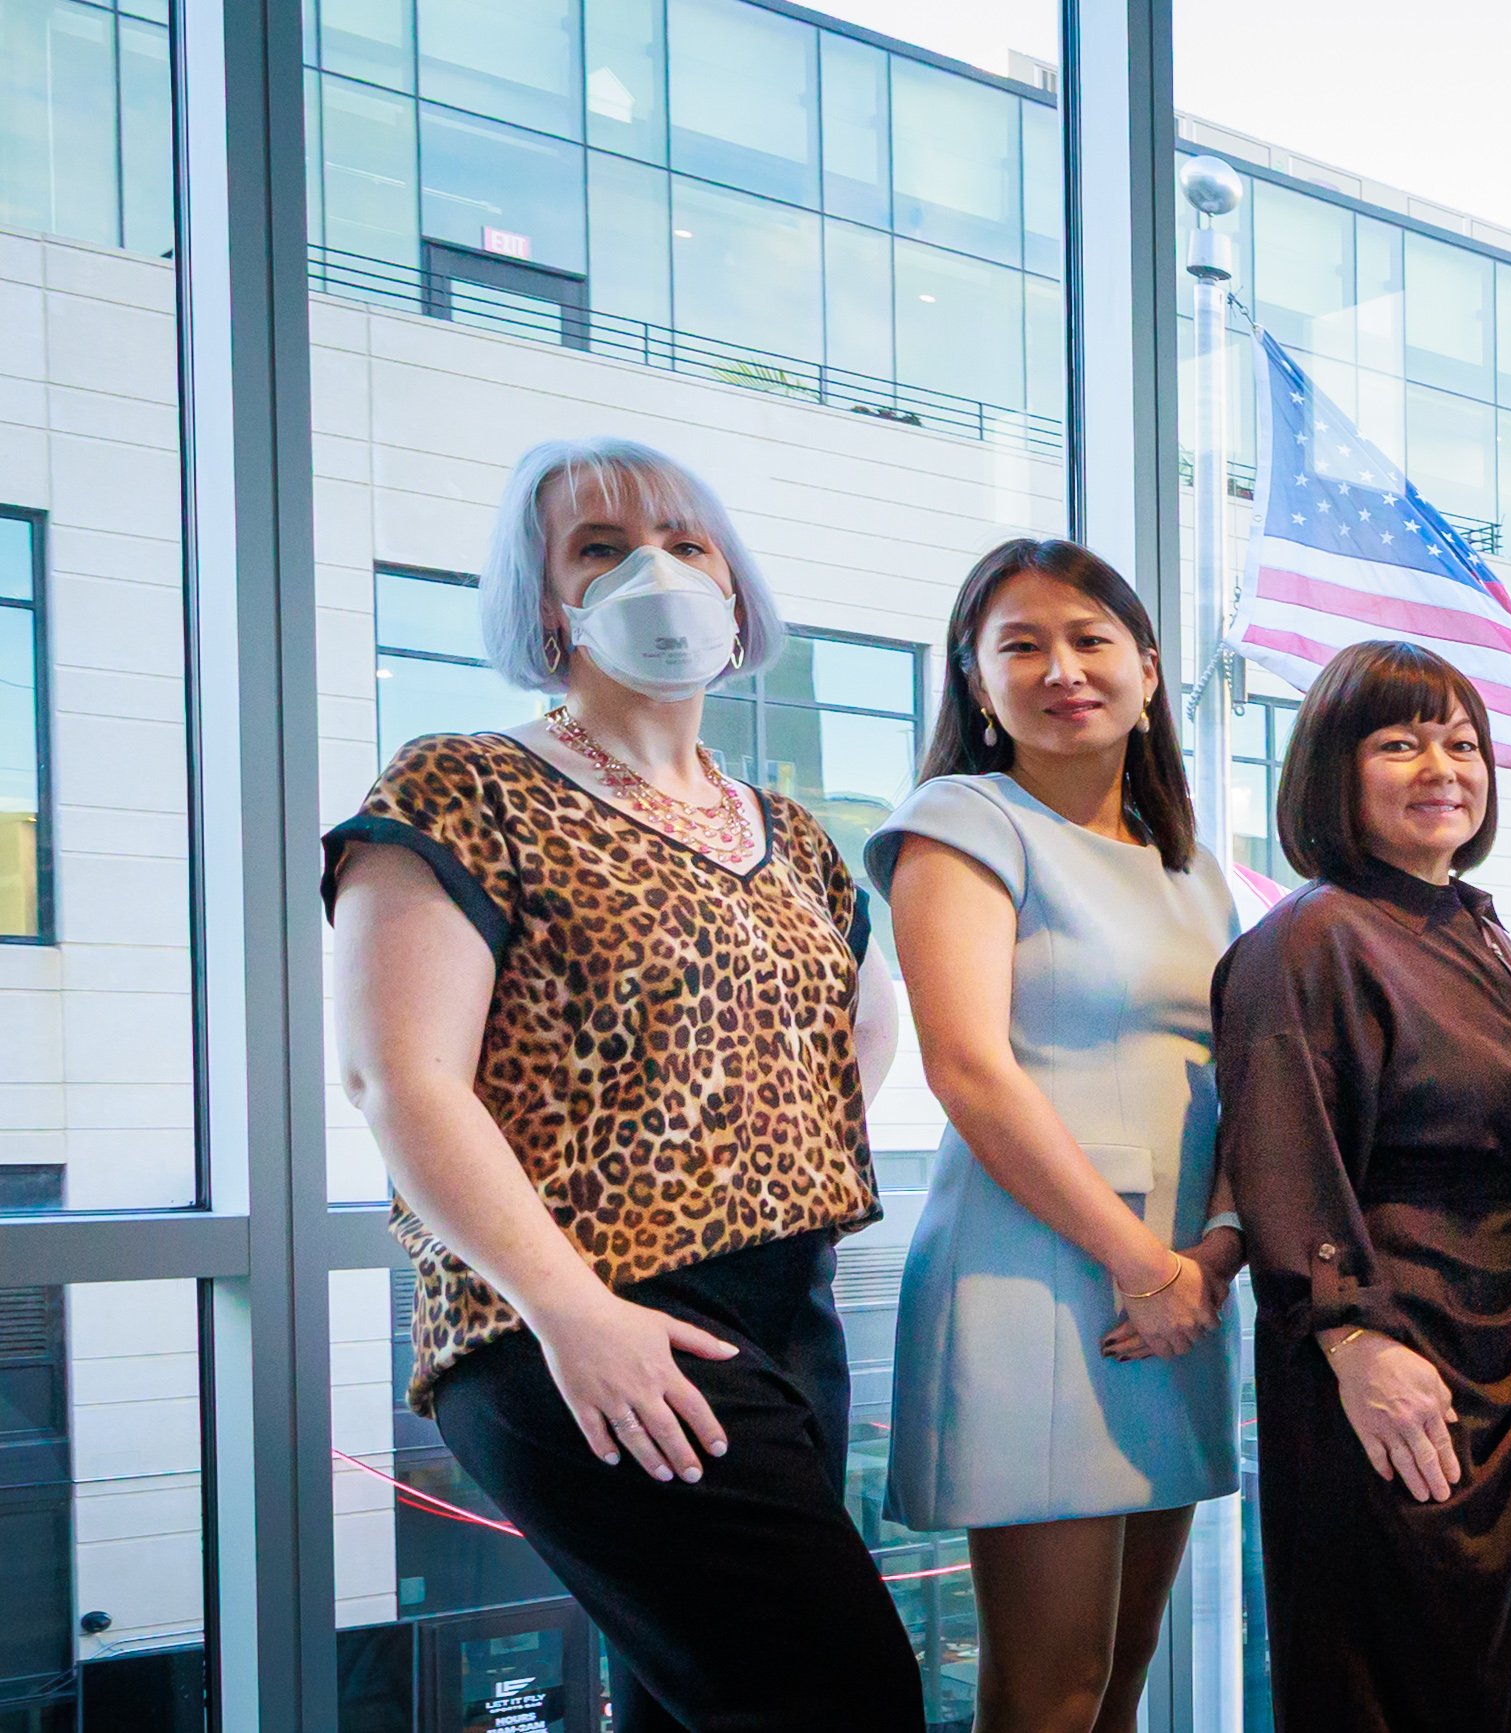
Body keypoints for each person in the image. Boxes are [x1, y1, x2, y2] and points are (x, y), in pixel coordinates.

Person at [321, 437, 922, 1728]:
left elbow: (853, 1039)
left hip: (787, 1312)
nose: (656, 570)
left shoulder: (790, 832)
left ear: (734, 585)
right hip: (577, 1316)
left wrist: (740, 1146)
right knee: (846, 1695)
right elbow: (398, 1078)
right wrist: (571, 1307)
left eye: (686, 542)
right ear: (547, 601)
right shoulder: (463, 784)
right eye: (601, 547)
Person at [873, 539, 1244, 1733]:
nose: (1062, 669)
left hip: (1179, 1284)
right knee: (1051, 1691)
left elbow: (1235, 1079)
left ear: (1148, 669)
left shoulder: (1192, 868)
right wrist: (1142, 1267)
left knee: (1124, 1668)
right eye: (1021, 645)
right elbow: (968, 1069)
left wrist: (1213, 1253)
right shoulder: (962, 819)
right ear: (976, 682)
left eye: (1090, 639)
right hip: (1039, 1274)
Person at [1216, 640, 1511, 1732]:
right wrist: (1352, 1342)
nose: (1443, 768)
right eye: (1400, 743)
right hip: (1382, 1333)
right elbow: (1284, 1152)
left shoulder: (1478, 925)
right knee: (1377, 1664)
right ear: (1335, 767)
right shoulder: (1311, 934)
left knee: (1476, 1662)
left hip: (1497, 1328)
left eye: (1463, 744)